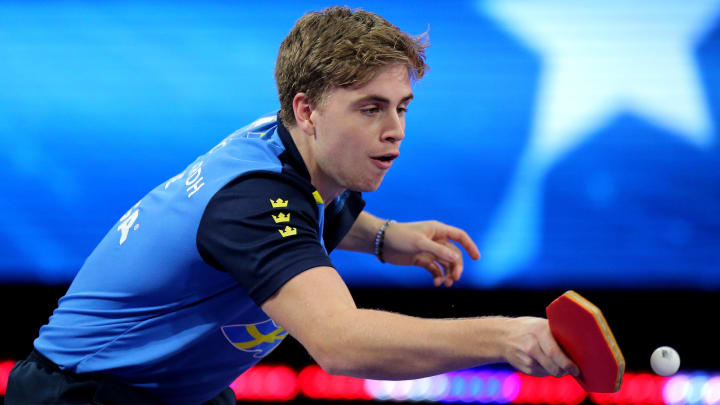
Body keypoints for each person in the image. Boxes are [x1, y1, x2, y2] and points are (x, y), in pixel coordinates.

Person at [6, 6, 578, 405]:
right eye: (370, 108)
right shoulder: (253, 201)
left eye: (403, 107)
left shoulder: (280, 144)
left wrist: (385, 236)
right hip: (83, 394)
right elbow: (341, 342)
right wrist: (506, 337)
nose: (396, 131)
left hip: (174, 390)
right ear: (307, 110)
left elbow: (306, 214)